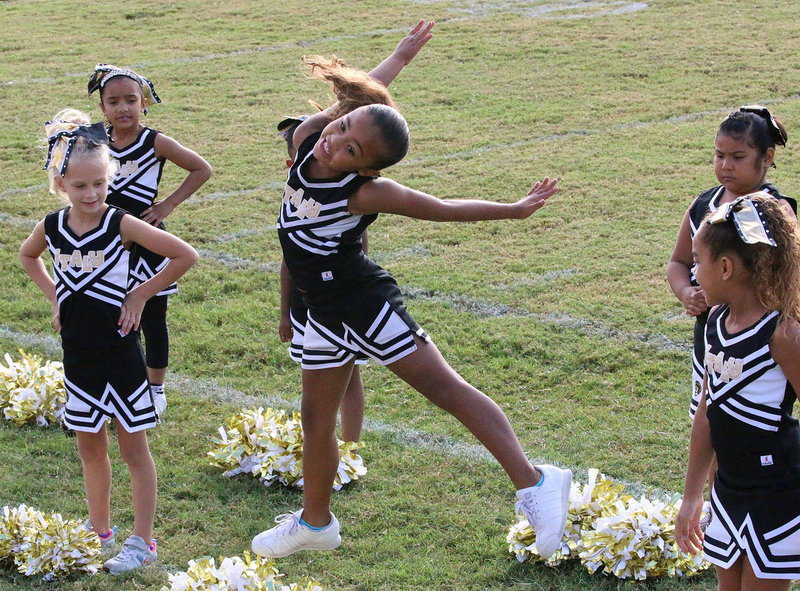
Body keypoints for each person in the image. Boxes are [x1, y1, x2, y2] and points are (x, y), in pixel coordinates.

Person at [251, 59, 570, 561]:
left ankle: (536, 482)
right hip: (321, 314)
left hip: (364, 304)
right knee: (316, 420)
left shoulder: (364, 192)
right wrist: (399, 56)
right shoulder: (308, 139)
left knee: (447, 390)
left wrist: (512, 208)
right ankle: (315, 523)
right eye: (340, 129)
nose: (336, 141)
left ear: (367, 168)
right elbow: (359, 101)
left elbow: (442, 207)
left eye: (351, 148)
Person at [19, 110, 198, 574]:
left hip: (120, 355)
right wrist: (56, 296)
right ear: (61, 185)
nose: (92, 193)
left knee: (133, 449)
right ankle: (98, 531)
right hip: (78, 358)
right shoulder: (53, 227)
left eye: (99, 182)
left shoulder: (119, 222)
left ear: (109, 177)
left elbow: (184, 255)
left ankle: (143, 540)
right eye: (80, 186)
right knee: (89, 449)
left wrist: (139, 293)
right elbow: (27, 255)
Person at [277, 20, 435, 443]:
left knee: (350, 372)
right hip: (311, 279)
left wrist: (400, 59)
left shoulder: (341, 170)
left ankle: (349, 444)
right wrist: (284, 309)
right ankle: (338, 450)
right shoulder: (312, 142)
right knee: (328, 382)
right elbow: (351, 109)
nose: (325, 145)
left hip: (342, 275)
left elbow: (357, 105)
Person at [676, 194, 800, 590]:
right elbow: (707, 414)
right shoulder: (713, 323)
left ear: (726, 267)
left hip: (779, 492)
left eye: (698, 262)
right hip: (729, 488)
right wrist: (692, 497)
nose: (693, 273)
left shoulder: (784, 333)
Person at [87, 64, 212, 417]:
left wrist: (167, 205)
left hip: (147, 242)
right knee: (111, 317)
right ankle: (120, 384)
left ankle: (155, 389)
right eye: (114, 102)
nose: (123, 108)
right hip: (106, 243)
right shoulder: (92, 138)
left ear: (144, 102)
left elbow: (201, 168)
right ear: (103, 108)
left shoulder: (155, 141)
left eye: (131, 100)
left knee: (153, 319)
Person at [667, 105, 795, 419]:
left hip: (758, 341)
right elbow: (678, 262)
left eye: (737, 158)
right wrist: (687, 293)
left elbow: (789, 275)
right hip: (710, 335)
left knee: (751, 422)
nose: (725, 166)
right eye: (719, 155)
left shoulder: (774, 212)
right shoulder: (702, 205)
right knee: (708, 421)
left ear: (766, 157)